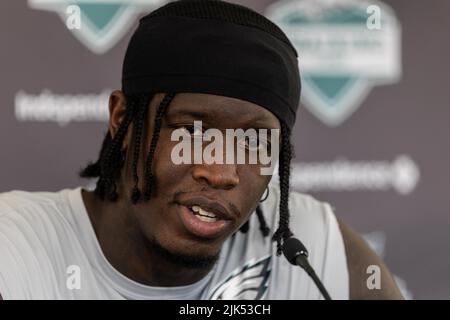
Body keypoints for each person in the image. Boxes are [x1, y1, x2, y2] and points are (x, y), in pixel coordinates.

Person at [0, 0, 403, 300]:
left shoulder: (311, 247)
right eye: (193, 131)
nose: (222, 172)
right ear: (122, 119)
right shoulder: (16, 247)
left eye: (253, 142)